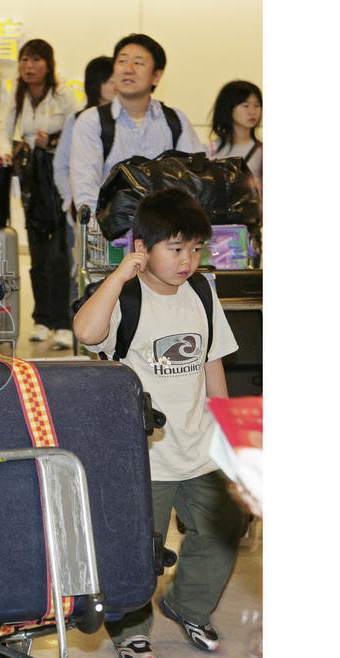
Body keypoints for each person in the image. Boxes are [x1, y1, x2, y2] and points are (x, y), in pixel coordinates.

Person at [73, 188, 247, 658]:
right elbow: (87, 333)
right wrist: (118, 276)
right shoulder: (126, 296)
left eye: (195, 248)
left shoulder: (202, 290)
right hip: (142, 454)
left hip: (199, 446)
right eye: (174, 248)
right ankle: (131, 628)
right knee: (137, 551)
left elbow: (212, 363)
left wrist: (230, 433)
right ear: (142, 248)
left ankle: (188, 606)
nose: (187, 260)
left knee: (224, 528)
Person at [0, 39, 79, 350]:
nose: (29, 67)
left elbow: (78, 133)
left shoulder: (63, 95)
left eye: (35, 60)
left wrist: (53, 142)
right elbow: (4, 132)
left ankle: (63, 322)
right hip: (31, 179)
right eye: (24, 60)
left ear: (48, 64)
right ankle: (41, 319)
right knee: (37, 250)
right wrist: (6, 152)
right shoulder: (17, 96)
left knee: (59, 253)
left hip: (57, 177)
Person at [69, 34, 204, 216]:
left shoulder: (176, 121)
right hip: (111, 236)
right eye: (122, 61)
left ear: (156, 76)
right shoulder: (92, 122)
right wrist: (101, 230)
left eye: (138, 63)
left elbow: (195, 182)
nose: (128, 69)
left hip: (166, 235)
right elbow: (85, 187)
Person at [54, 55, 115, 303]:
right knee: (80, 275)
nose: (117, 86)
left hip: (117, 215)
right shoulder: (79, 119)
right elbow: (61, 165)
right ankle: (78, 333)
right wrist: (71, 201)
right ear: (96, 84)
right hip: (84, 216)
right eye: (110, 81)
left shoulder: (125, 120)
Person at [207, 80, 262, 189]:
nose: (253, 111)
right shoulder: (209, 150)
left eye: (257, 105)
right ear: (227, 108)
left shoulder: (261, 151)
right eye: (245, 105)